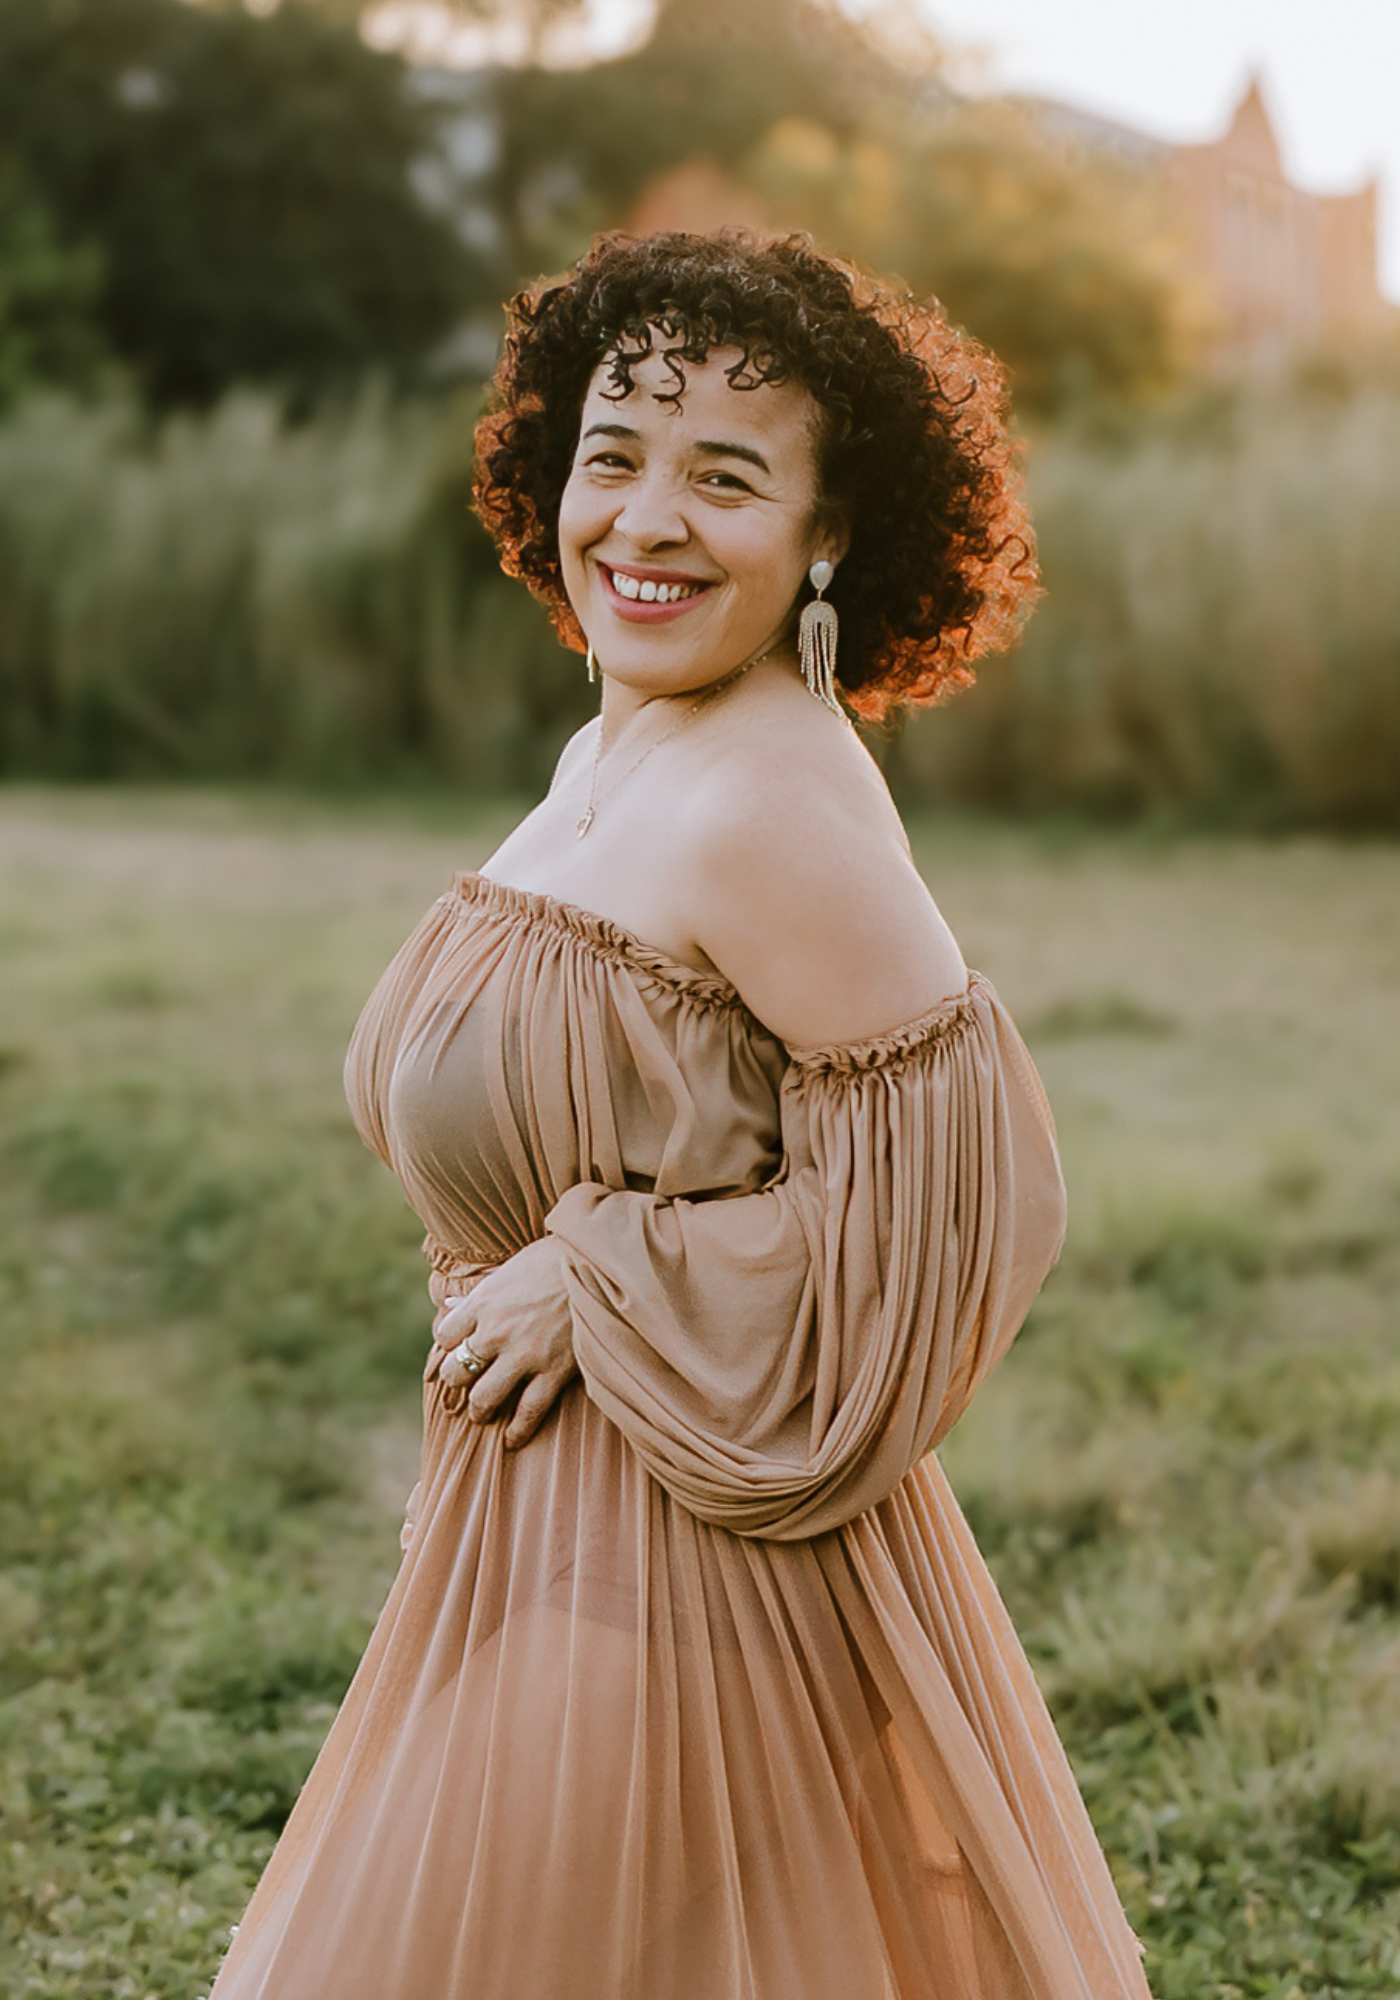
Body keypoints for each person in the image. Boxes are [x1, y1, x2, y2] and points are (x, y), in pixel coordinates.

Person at [209, 230, 1152, 2000]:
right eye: (612, 456)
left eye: (726, 477)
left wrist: (605, 1274)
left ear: (830, 531)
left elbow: (974, 1212)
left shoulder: (769, 803)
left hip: (685, 1569)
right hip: (549, 1530)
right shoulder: (617, 746)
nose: (644, 520)